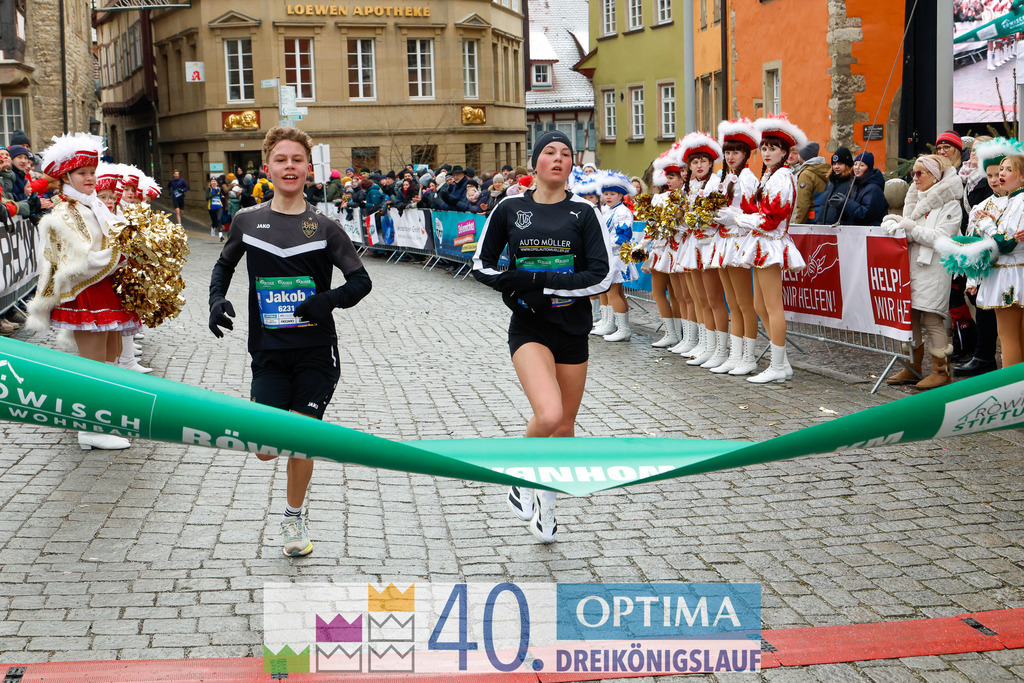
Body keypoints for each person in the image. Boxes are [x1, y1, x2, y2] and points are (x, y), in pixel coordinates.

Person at [208, 126, 372, 557]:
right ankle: (291, 507)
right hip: (267, 350)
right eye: (281, 160)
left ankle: (293, 517)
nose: (289, 167)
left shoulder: (324, 227)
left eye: (297, 160)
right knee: (266, 449)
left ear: (308, 168)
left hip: (316, 352)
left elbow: (361, 281)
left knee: (302, 435)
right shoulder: (247, 221)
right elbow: (223, 267)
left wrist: (328, 301)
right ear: (268, 169)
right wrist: (215, 300)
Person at [471, 130, 612, 543]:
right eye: (548, 152)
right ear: (534, 163)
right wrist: (515, 284)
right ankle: (517, 473)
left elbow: (601, 276)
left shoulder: (585, 212)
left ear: (571, 165)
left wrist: (541, 280)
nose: (557, 158)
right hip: (529, 327)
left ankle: (546, 507)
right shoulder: (510, 208)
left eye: (565, 153)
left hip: (572, 329)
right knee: (548, 415)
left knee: (565, 427)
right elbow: (482, 264)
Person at [26, 133, 141, 449]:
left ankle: (107, 415)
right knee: (92, 364)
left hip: (106, 288)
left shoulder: (94, 206)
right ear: (66, 176)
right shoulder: (65, 212)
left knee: (111, 356)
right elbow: (77, 261)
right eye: (83, 173)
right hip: (86, 292)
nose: (90, 178)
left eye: (92, 172)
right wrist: (121, 253)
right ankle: (89, 428)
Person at [737, 114, 808, 383]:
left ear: (785, 152)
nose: (766, 152)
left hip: (771, 243)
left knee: (772, 305)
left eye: (773, 148)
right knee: (760, 304)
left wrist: (739, 218)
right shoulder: (770, 175)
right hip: (762, 243)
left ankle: (777, 365)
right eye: (764, 148)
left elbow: (770, 219)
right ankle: (783, 362)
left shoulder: (782, 178)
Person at [881, 154, 962, 388]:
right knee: (912, 318)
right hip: (911, 266)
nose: (914, 178)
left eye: (920, 173)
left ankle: (941, 371)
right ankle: (912, 367)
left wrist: (909, 228)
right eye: (913, 173)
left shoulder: (949, 204)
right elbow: (910, 228)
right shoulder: (914, 199)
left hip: (934, 267)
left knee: (932, 318)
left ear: (935, 177)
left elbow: (941, 238)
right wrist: (894, 224)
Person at [712, 118, 762, 375]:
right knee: (732, 301)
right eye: (728, 152)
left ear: (746, 154)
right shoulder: (728, 177)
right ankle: (735, 353)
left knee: (744, 302)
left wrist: (734, 216)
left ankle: (749, 356)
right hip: (724, 240)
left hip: (740, 240)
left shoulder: (748, 179)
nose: (731, 156)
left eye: (736, 152)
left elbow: (755, 212)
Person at [974, 152, 1024, 367]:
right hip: (1015, 270)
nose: (1001, 174)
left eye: (1009, 170)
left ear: (1022, 177)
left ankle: (1011, 393)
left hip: (1011, 271)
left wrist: (986, 225)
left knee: (1008, 336)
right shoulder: (1013, 200)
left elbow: (1005, 244)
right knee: (1018, 336)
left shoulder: (1019, 201)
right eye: (1001, 169)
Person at [596, 170, 638, 342]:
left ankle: (623, 329)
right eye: (606, 194)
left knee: (614, 292)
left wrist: (602, 244)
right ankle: (609, 322)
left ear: (621, 195)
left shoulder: (622, 212)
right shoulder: (607, 210)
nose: (608, 197)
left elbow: (623, 236)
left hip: (617, 256)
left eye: (612, 194)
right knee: (611, 291)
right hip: (609, 255)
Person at [848, 152, 889, 226]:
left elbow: (866, 214)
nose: (857, 167)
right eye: (855, 164)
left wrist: (846, 204)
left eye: (861, 165)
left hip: (869, 233)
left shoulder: (873, 188)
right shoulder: (856, 185)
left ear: (868, 168)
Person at [792, 142, 829, 224]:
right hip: (821, 217)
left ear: (802, 155)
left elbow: (803, 204)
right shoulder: (823, 169)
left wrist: (797, 225)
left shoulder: (806, 174)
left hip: (810, 220)